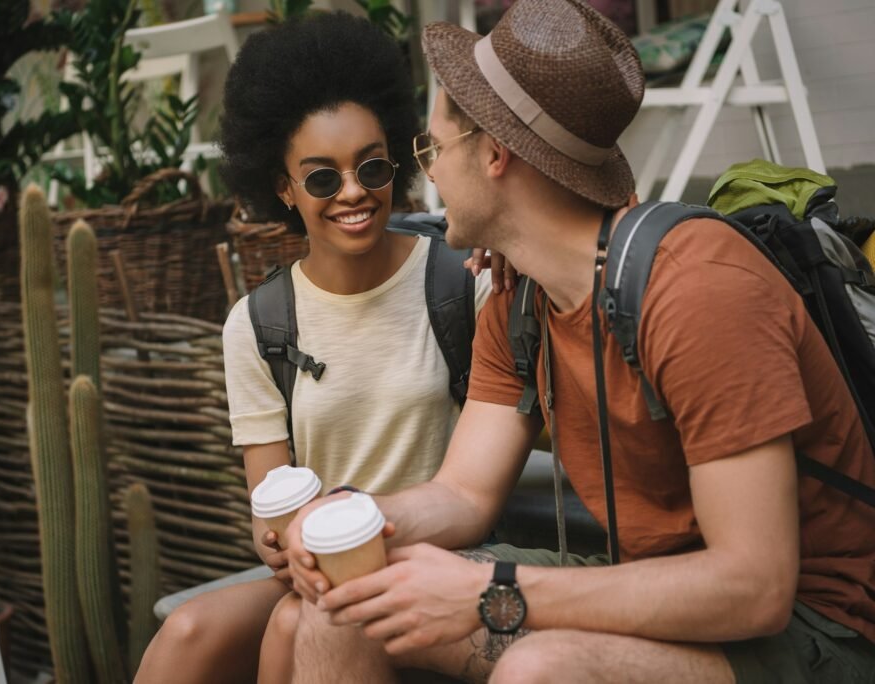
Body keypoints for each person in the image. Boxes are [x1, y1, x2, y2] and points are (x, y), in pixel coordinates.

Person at [279, 0, 875, 682]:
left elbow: (755, 587)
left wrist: (489, 588)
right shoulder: (521, 298)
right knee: (347, 604)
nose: (431, 175)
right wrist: (354, 516)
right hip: (655, 582)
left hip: (816, 627)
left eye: (433, 149)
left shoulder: (700, 291)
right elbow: (466, 496)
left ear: (496, 154)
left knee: (544, 668)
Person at [133, 12, 494, 684]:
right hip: (318, 563)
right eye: (323, 178)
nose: (354, 192)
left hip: (431, 554)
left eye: (372, 167)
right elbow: (266, 513)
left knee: (292, 626)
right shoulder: (260, 323)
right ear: (284, 189)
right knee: (184, 633)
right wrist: (278, 545)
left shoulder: (455, 286)